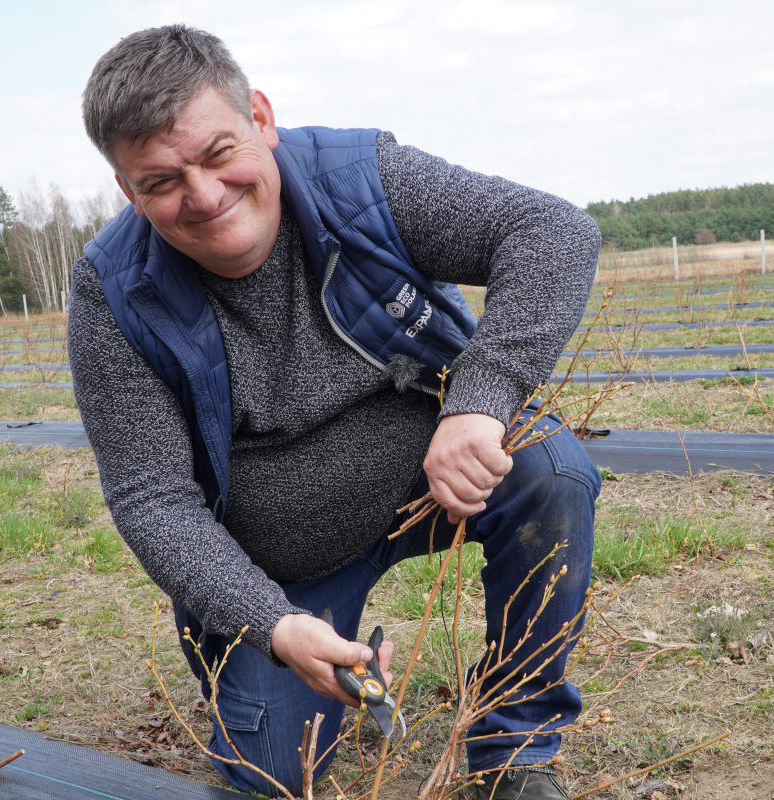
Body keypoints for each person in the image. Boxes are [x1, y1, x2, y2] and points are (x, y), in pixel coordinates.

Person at [70, 24, 602, 800]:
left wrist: (479, 402)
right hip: (279, 575)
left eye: (219, 154)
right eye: (161, 181)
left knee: (548, 470)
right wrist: (274, 625)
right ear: (127, 189)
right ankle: (273, 652)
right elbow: (154, 502)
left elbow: (554, 232)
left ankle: (516, 753)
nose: (206, 197)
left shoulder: (360, 180)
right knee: (269, 779)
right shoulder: (114, 293)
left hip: (432, 482)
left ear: (260, 116)